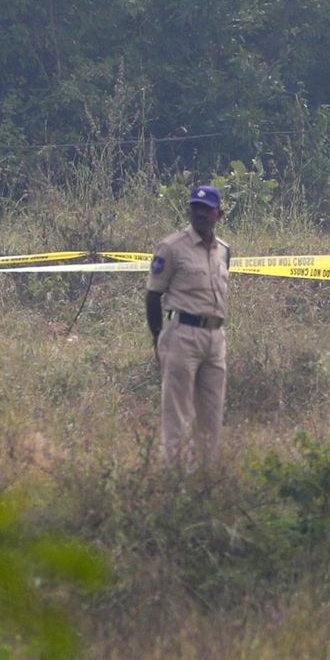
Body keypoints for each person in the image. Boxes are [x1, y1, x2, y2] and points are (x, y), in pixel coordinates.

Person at [146, 185, 231, 469]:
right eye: (196, 208)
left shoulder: (223, 251)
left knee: (211, 412)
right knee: (177, 411)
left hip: (215, 336)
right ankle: (173, 476)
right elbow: (153, 294)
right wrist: (159, 338)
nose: (200, 214)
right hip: (182, 333)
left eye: (207, 209)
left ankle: (204, 476)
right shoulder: (172, 247)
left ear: (219, 213)